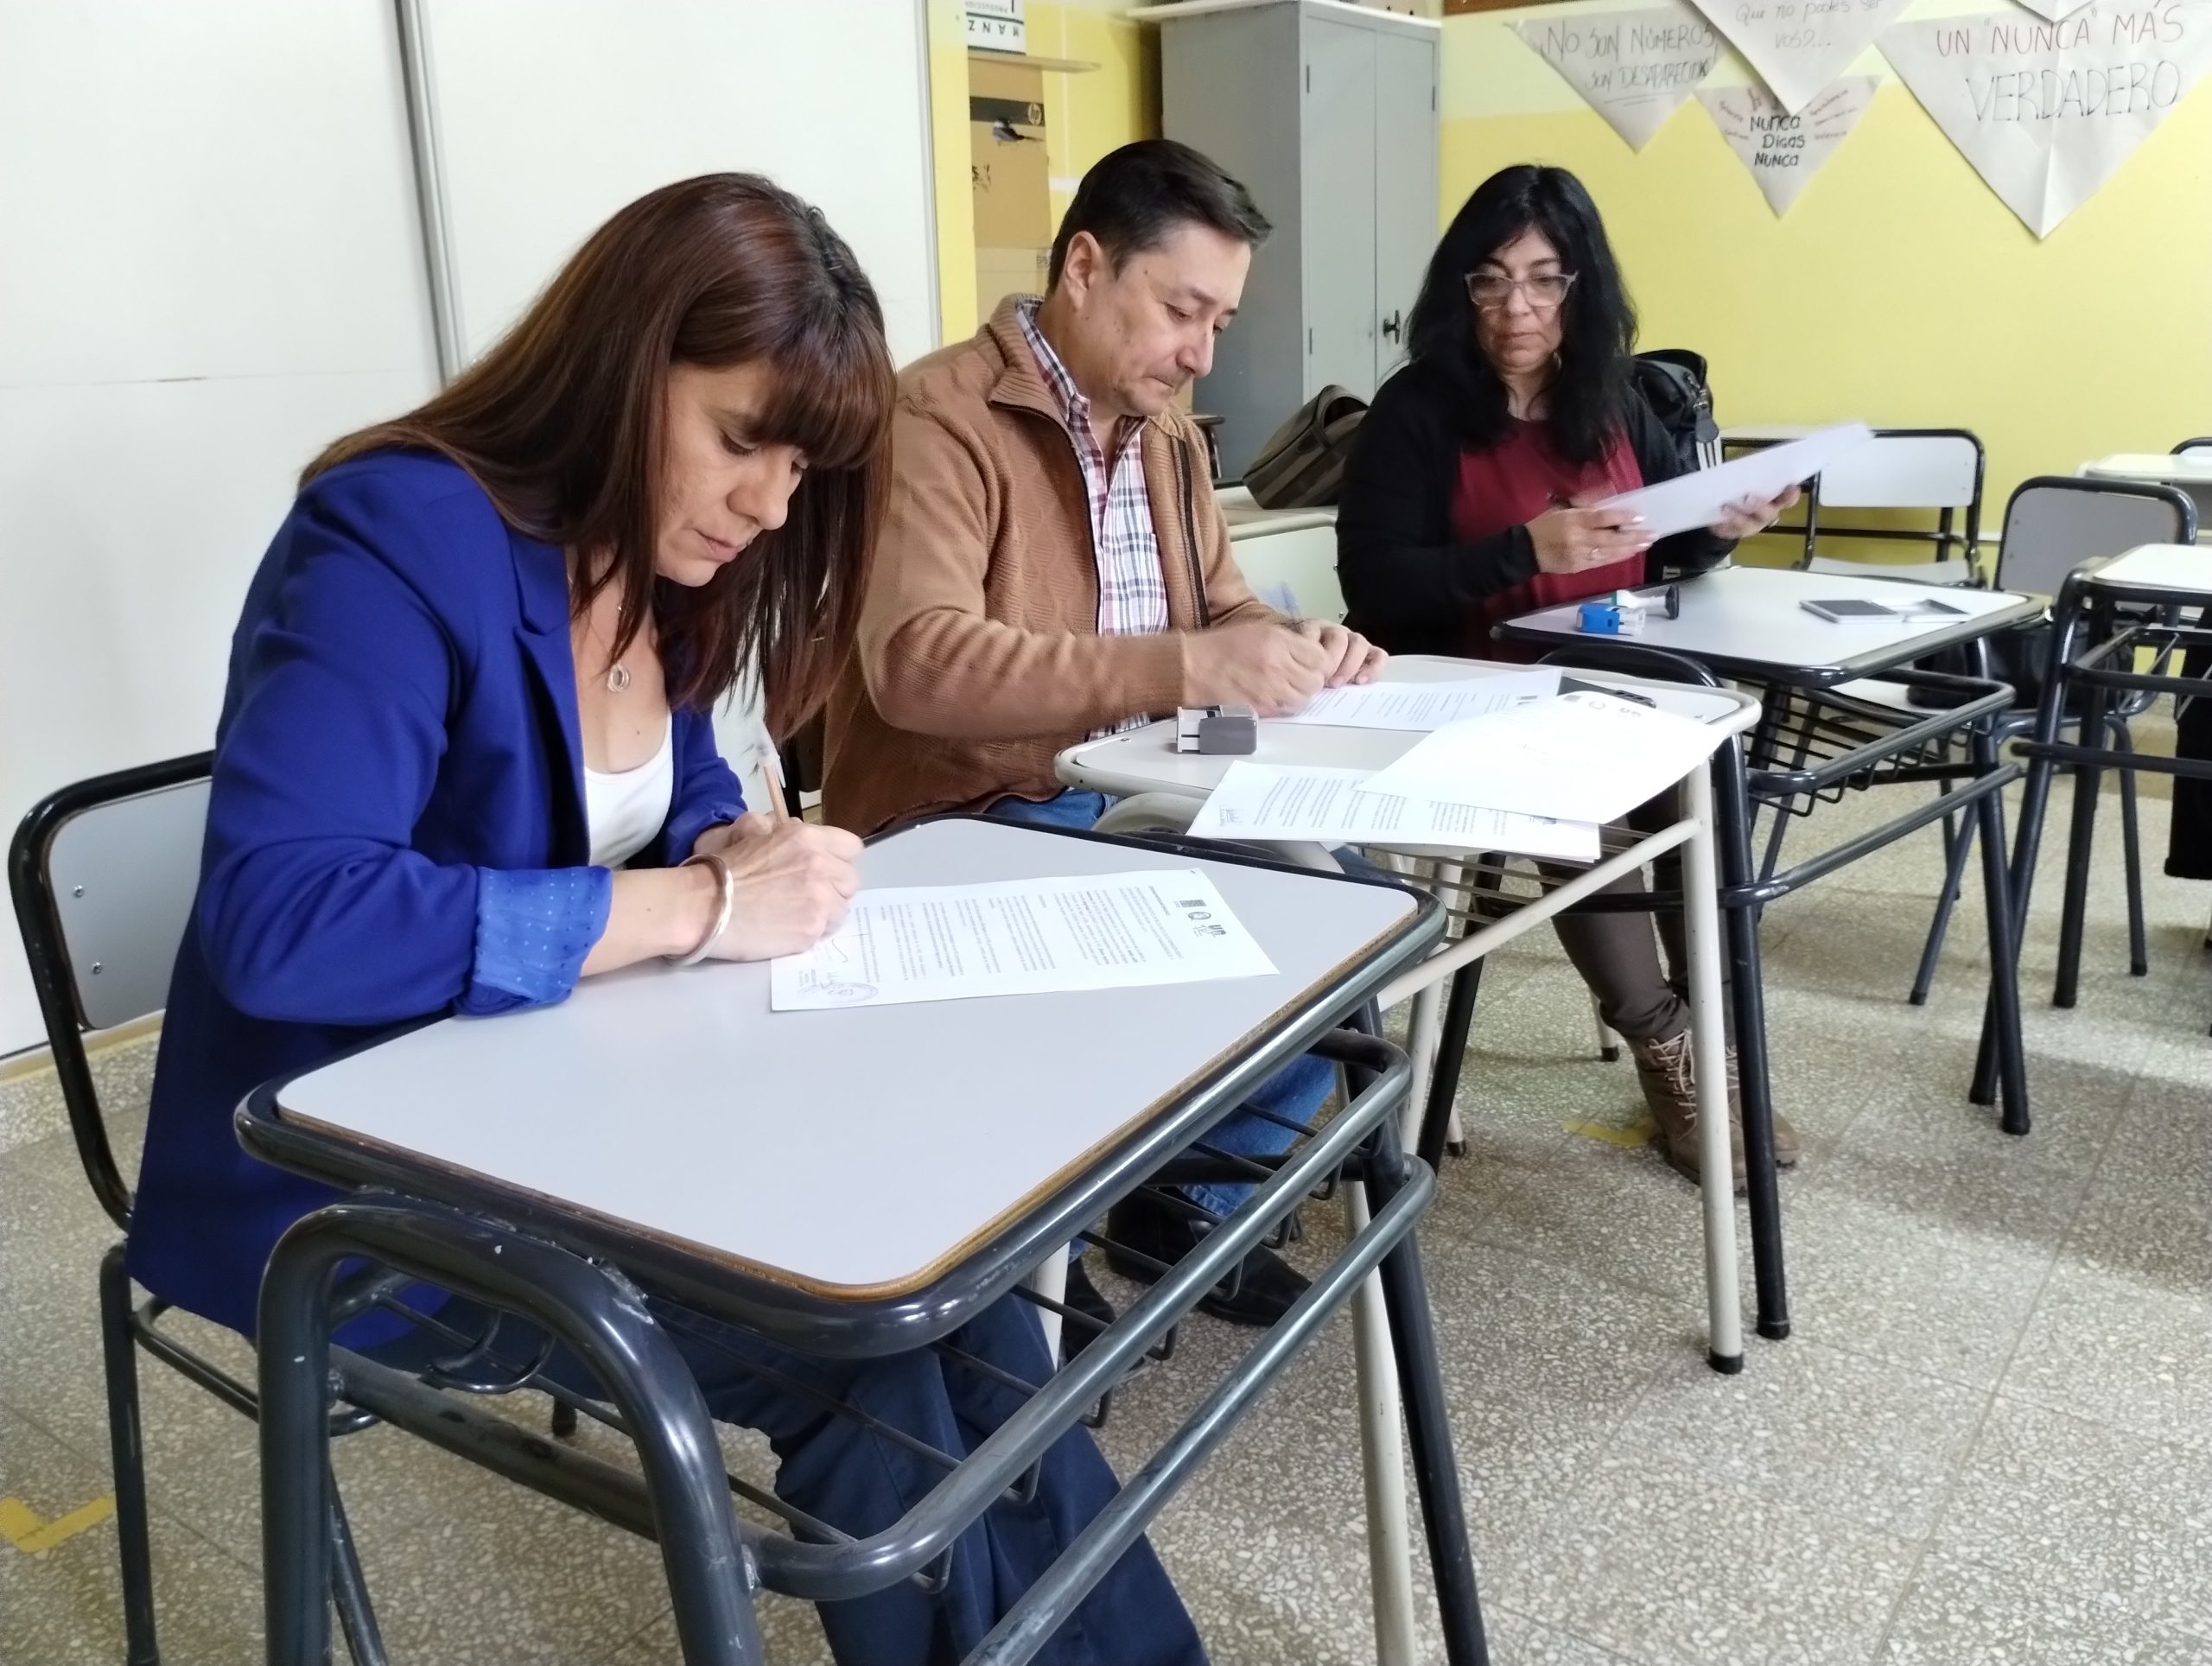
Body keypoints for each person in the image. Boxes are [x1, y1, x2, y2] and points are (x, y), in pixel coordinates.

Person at [126, 175, 1205, 1666]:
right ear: (627, 365)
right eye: (743, 437)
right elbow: (284, 914)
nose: (773, 500)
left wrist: (733, 836)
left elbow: (673, 776)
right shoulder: (394, 533)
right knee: (872, 1365)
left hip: (581, 1117)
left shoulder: (658, 554)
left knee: (951, 1293)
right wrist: (693, 902)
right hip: (345, 1191)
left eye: (801, 462)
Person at [820, 140, 1384, 1329]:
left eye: (1220, 322)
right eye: (1183, 310)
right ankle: (1049, 1244)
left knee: (1367, 913)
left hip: (1150, 780)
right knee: (1247, 925)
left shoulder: (1170, 432)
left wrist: (1304, 647)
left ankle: (1176, 1200)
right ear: (1085, 266)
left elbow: (1224, 610)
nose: (1201, 352)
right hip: (982, 805)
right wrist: (1187, 664)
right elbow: (918, 665)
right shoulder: (937, 418)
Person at [1335, 163, 1801, 1186]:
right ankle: (1670, 1050)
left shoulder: (1617, 398)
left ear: (1582, 286)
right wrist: (1519, 552)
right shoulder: (1415, 410)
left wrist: (1715, 532)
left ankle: (1724, 1046)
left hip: (1611, 677)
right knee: (1582, 817)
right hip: (1474, 690)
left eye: (1545, 280)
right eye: (1491, 280)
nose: (1518, 308)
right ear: (1457, 287)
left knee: (1707, 796)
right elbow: (1372, 584)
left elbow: (1654, 551)